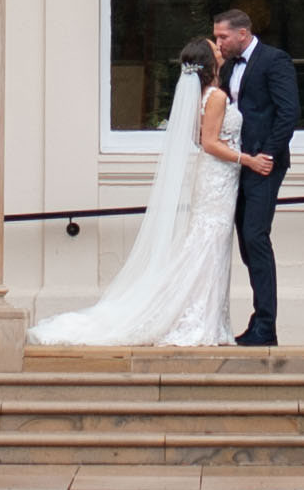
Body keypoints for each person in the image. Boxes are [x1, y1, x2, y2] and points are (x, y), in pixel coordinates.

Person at [27, 36, 245, 349]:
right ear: (208, 62)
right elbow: (209, 143)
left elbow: (198, 140)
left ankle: (207, 318)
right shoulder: (217, 97)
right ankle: (200, 321)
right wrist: (246, 159)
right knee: (209, 244)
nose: (219, 49)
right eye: (214, 48)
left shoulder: (201, 96)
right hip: (218, 178)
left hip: (215, 177)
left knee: (207, 244)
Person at [214, 5, 302, 349]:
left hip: (263, 164)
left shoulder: (274, 60)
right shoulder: (228, 67)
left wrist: (267, 155)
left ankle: (266, 325)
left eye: (223, 36)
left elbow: (288, 112)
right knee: (246, 241)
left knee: (256, 236)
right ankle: (259, 321)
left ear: (243, 33)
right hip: (236, 164)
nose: (218, 43)